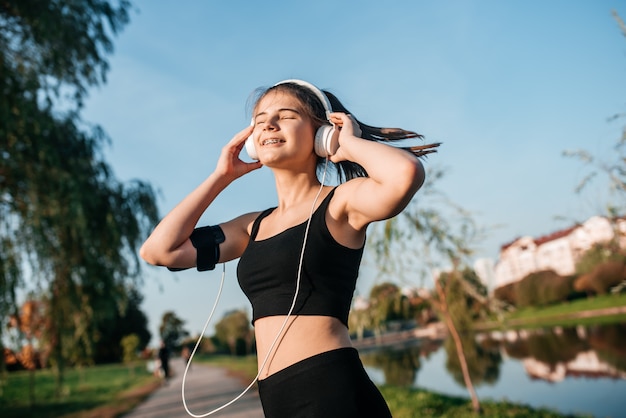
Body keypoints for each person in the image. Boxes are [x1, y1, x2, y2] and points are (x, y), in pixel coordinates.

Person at [140, 80, 438, 417]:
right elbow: (158, 251)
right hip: (277, 398)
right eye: (261, 119)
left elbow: (405, 173)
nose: (269, 124)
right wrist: (220, 177)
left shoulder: (340, 204)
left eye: (286, 116)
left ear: (321, 132)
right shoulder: (250, 227)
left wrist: (348, 144)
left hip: (330, 390)